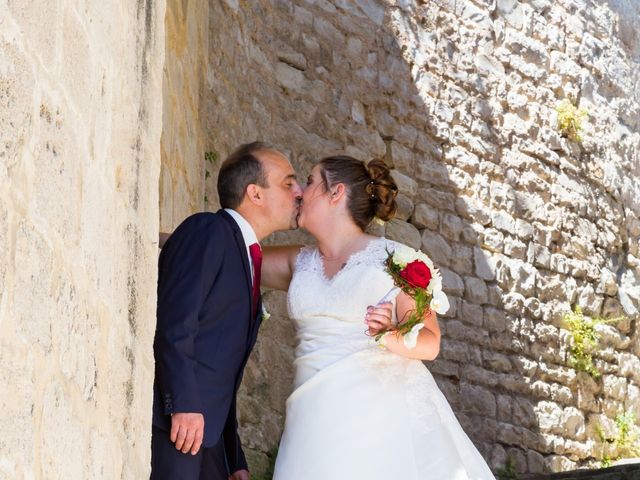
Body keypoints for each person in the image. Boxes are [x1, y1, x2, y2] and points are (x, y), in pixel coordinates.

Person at [262, 155, 496, 479]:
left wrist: (387, 334)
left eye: (311, 180)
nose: (301, 190)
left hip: (379, 423)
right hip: (310, 421)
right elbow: (234, 258)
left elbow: (430, 343)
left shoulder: (397, 261)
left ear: (336, 192)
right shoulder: (299, 262)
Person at [151, 142, 302, 480]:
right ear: (255, 194)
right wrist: (185, 405)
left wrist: (234, 457)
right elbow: (175, 323)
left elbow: (222, 366)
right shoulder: (208, 230)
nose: (299, 192)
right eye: (288, 183)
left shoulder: (247, 257)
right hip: (177, 427)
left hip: (209, 441)